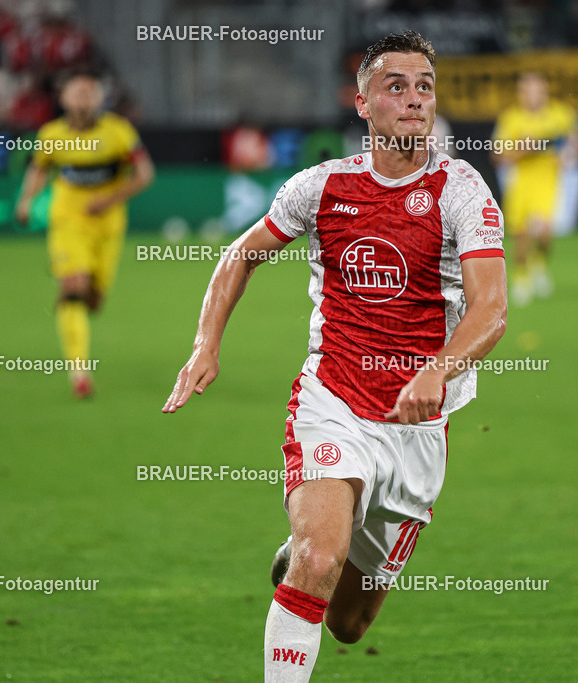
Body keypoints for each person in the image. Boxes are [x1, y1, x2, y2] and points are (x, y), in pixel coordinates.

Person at [162, 30, 508, 682]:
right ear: (362, 102)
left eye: (424, 86)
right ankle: (312, 546)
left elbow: (492, 308)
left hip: (415, 428)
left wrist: (439, 368)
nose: (413, 100)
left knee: (349, 623)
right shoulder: (321, 187)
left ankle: (308, 546)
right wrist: (206, 343)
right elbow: (241, 253)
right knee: (320, 562)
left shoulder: (461, 190)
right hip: (333, 399)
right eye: (395, 86)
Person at [15, 70, 154, 398]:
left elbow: (145, 174)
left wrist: (109, 199)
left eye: (89, 93)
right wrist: (26, 201)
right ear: (63, 99)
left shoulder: (118, 132)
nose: (82, 99)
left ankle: (75, 300)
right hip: (68, 220)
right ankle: (79, 372)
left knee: (94, 298)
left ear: (99, 99)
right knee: (73, 288)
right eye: (76, 92)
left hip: (108, 225)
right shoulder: (51, 135)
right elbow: (39, 169)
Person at [492, 71, 578, 306]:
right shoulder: (511, 118)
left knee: (544, 233)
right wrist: (525, 149)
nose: (533, 96)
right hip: (520, 182)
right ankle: (521, 277)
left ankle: (538, 264)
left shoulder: (560, 114)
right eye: (527, 91)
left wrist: (570, 155)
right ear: (521, 94)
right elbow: (499, 155)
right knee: (521, 236)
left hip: (548, 180)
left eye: (537, 90)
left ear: (545, 92)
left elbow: (576, 139)